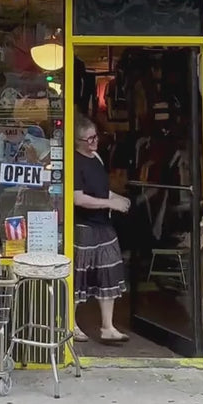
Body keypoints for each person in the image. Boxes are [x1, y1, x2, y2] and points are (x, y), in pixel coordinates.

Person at [72, 115, 129, 344]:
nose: (95, 142)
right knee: (79, 276)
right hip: (84, 227)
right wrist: (110, 203)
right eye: (89, 139)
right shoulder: (75, 163)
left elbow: (100, 190)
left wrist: (117, 198)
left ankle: (108, 326)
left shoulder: (96, 157)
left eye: (96, 137)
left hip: (103, 225)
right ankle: (71, 323)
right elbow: (78, 199)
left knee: (109, 274)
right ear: (77, 141)